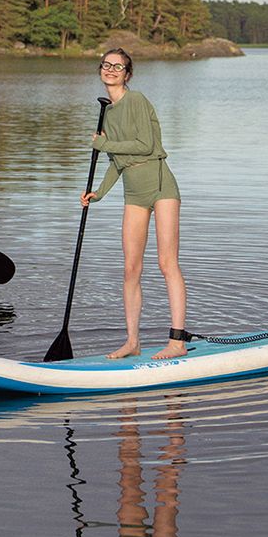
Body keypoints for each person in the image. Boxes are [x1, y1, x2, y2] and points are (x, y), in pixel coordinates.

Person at [81, 48, 188, 360]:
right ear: (100, 70)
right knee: (130, 268)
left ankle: (177, 341)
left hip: (160, 185)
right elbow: (117, 161)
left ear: (127, 74)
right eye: (106, 65)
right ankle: (132, 342)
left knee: (167, 263)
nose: (111, 69)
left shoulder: (137, 100)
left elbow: (145, 146)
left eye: (119, 66)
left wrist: (105, 144)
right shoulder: (108, 113)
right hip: (133, 192)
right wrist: (97, 193)